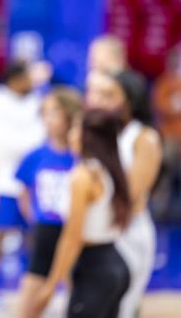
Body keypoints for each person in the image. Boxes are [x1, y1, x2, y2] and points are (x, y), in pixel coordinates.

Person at [31, 109, 132, 318]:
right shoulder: (107, 168)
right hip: (115, 263)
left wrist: (50, 286)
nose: (71, 134)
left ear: (87, 135)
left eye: (76, 128)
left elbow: (72, 238)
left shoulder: (83, 176)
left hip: (95, 268)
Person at [86, 70, 162, 318]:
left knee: (124, 307)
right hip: (102, 229)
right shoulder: (107, 133)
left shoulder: (145, 137)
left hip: (129, 230)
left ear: (130, 99)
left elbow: (132, 195)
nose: (102, 102)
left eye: (110, 95)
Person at [16, 87, 83, 317]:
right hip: (45, 232)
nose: (48, 118)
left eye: (54, 111)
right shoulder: (35, 155)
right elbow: (24, 192)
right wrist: (34, 219)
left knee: (79, 301)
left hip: (76, 234)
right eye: (45, 112)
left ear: (70, 115)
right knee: (29, 305)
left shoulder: (81, 156)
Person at [0, 60, 44, 270]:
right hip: (1, 182)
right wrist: (24, 144)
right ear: (15, 79)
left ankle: (32, 279)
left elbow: (41, 137)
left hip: (31, 182)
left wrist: (21, 145)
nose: (31, 82)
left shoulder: (37, 101)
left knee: (34, 236)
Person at [153, 45, 181, 220]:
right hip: (170, 135)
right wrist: (174, 105)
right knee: (166, 165)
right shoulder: (166, 82)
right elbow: (161, 105)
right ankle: (159, 207)